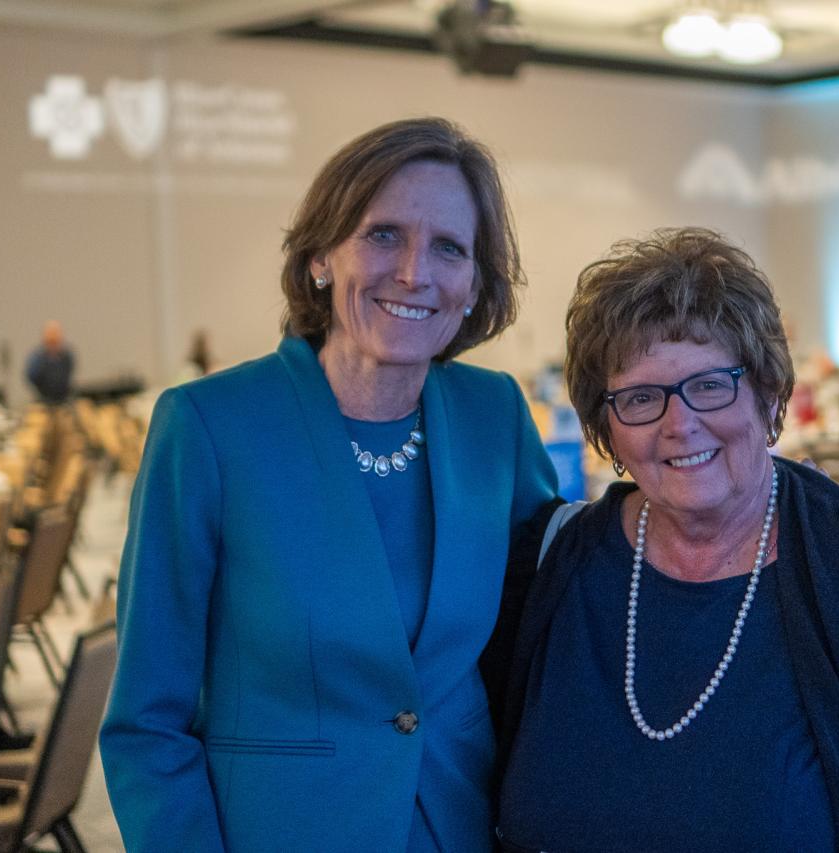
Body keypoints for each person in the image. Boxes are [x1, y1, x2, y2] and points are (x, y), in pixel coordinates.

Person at [489, 228, 839, 851]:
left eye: (711, 384)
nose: (679, 424)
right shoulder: (551, 568)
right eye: (641, 398)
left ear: (768, 392)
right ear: (605, 425)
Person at [99, 117, 558, 852]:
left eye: (449, 247)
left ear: (474, 284)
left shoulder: (493, 414)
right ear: (320, 257)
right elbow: (146, 721)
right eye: (383, 235)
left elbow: (555, 616)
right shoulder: (210, 426)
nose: (414, 271)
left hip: (464, 821)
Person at [24, 320, 74, 404]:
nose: (53, 338)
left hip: (63, 400)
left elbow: (68, 374)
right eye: (50, 335)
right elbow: (31, 377)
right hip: (43, 400)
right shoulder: (37, 358)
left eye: (55, 335)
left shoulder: (67, 356)